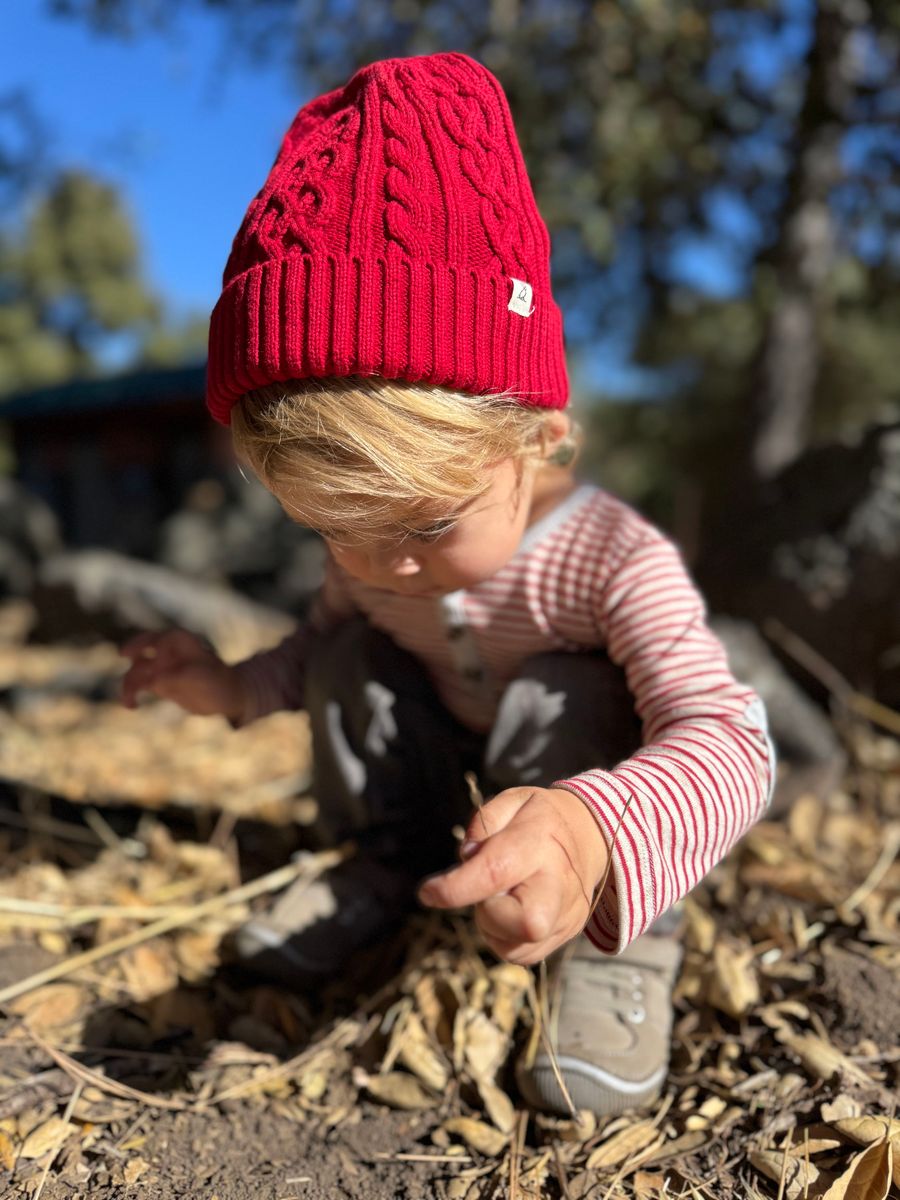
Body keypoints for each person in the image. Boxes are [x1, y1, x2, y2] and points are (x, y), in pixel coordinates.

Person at [120, 52, 776, 1117]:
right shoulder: (380, 571)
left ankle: (622, 941)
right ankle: (391, 865)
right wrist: (232, 688)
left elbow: (730, 738)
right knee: (350, 655)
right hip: (453, 780)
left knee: (564, 693)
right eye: (334, 531)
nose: (382, 566)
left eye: (424, 523)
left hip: (576, 798)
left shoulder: (611, 558)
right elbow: (311, 654)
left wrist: (595, 832)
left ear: (541, 435)